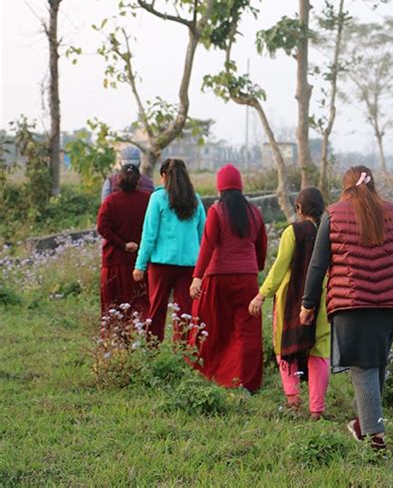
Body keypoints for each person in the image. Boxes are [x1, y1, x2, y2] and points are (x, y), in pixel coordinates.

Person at [300, 165, 393, 451]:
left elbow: (318, 264)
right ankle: (363, 424)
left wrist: (307, 304)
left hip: (352, 305)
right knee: (376, 362)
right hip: (392, 307)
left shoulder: (334, 214)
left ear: (346, 187)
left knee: (364, 367)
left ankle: (375, 438)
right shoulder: (392, 212)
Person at [249, 187, 330, 419]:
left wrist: (261, 294)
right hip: (322, 299)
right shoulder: (329, 232)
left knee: (284, 346)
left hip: (289, 301)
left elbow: (279, 268)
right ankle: (317, 409)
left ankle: (293, 401)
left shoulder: (292, 232)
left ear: (299, 208)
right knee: (319, 350)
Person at [189, 164, 267, 392]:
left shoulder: (216, 211)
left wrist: (197, 277)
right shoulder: (254, 212)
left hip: (218, 279)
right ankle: (245, 381)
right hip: (247, 280)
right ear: (240, 186)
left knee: (214, 328)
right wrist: (257, 267)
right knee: (246, 331)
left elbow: (208, 245)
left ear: (220, 188)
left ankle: (215, 374)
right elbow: (261, 245)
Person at [133, 158, 206, 341]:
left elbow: (149, 235)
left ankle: (152, 349)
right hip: (190, 264)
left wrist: (140, 265)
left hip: (161, 264)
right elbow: (203, 235)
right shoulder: (195, 199)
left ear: (164, 176)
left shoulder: (157, 198)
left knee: (156, 309)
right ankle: (184, 351)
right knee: (185, 312)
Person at [97, 163, 151, 319]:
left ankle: (115, 341)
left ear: (119, 179)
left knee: (113, 307)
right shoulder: (147, 200)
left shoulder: (110, 201)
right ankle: (142, 339)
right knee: (140, 306)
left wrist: (123, 244)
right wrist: (138, 244)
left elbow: (102, 227)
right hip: (140, 262)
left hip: (114, 261)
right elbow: (154, 228)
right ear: (138, 180)